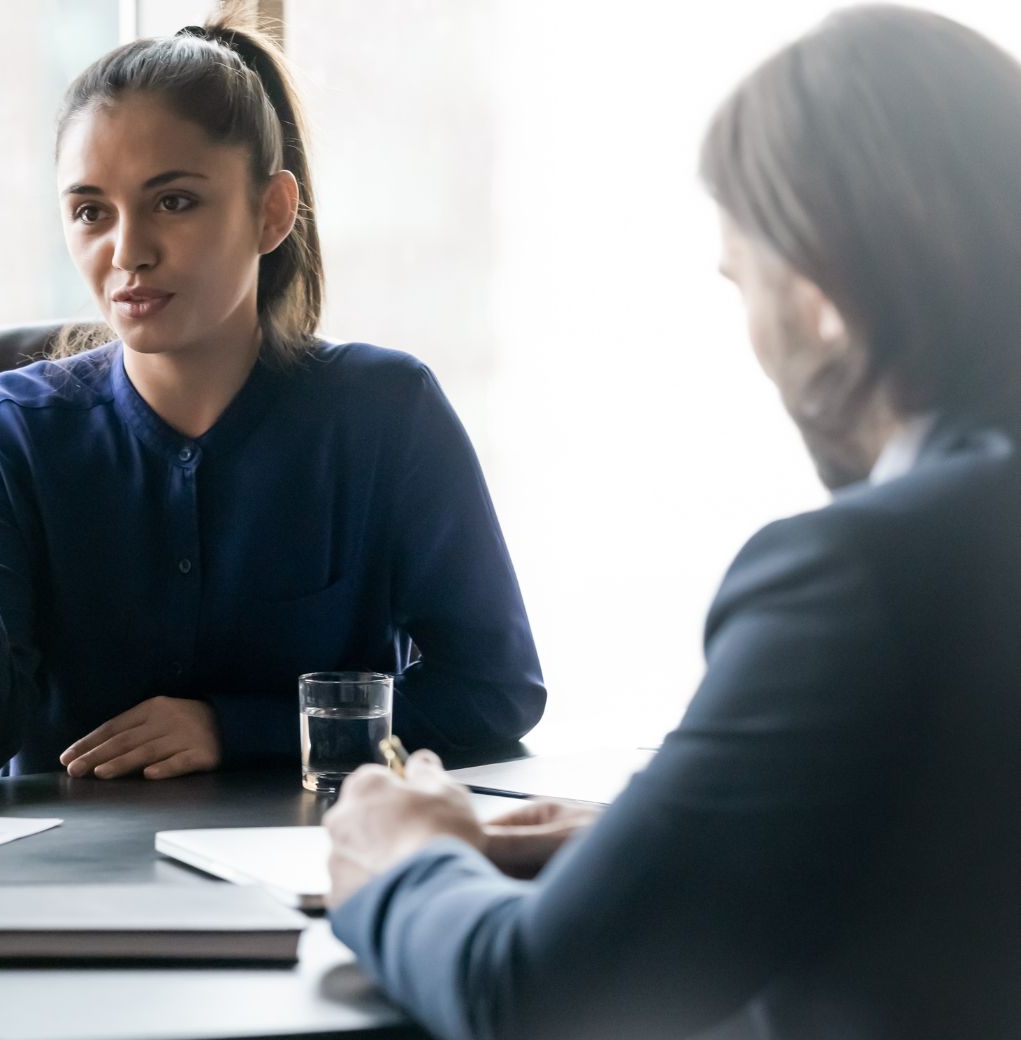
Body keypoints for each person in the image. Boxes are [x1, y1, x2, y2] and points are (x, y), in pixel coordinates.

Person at [321, 7, 1021, 1038]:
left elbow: (532, 994)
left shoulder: (853, 576)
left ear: (822, 286)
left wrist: (403, 853)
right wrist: (671, 838)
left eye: (744, 281)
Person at [0, 11, 545, 782]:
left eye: (172, 202)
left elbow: (494, 690)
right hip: (71, 881)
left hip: (314, 865)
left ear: (272, 211)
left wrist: (239, 728)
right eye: (90, 213)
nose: (127, 251)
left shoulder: (386, 412)